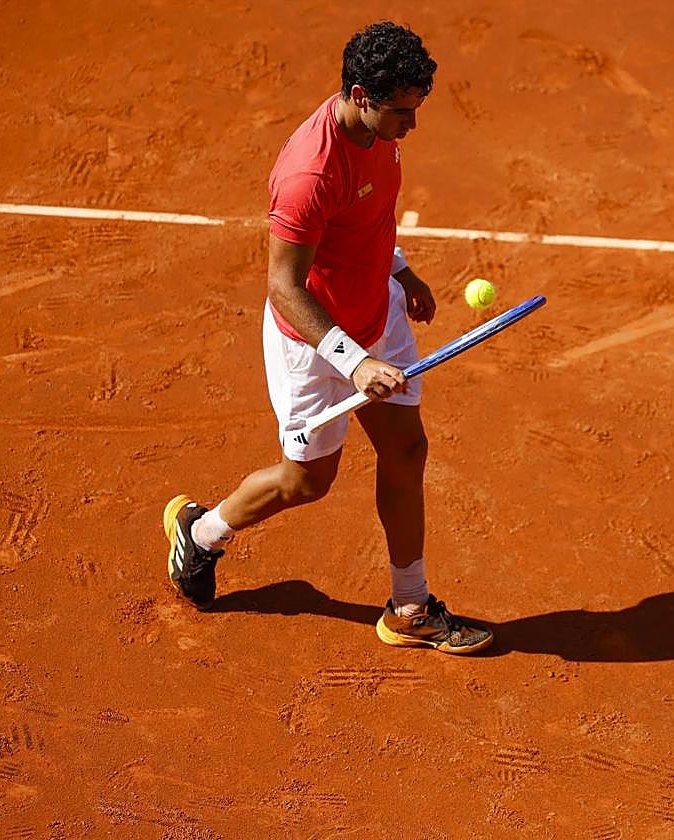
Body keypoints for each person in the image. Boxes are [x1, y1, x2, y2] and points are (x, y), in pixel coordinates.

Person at [163, 21, 492, 655]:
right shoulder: (307, 174)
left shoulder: (376, 129)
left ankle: (410, 607)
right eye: (402, 111)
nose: (412, 126)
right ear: (363, 94)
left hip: (379, 315)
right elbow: (284, 286)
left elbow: (369, 215)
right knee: (307, 482)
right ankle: (201, 532)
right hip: (316, 342)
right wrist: (355, 361)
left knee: (405, 452)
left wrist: (401, 270)